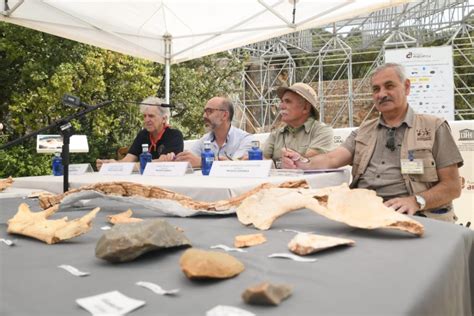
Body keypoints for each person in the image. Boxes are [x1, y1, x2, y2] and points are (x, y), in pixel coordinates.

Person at [282, 63, 463, 222]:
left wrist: (416, 201)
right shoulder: (363, 131)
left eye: (389, 86)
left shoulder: (434, 127)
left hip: (415, 215)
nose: (381, 94)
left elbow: (452, 187)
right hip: (363, 213)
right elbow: (331, 159)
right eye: (376, 89)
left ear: (406, 87)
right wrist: (301, 161)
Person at [96, 96, 184, 170]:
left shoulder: (174, 135)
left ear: (164, 119)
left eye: (151, 116)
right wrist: (111, 164)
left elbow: (161, 164)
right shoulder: (143, 134)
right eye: (144, 116)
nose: (146, 120)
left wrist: (117, 166)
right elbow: (128, 160)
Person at [263, 82, 334, 166]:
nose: (281, 106)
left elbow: (310, 162)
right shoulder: (276, 134)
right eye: (282, 101)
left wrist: (276, 164)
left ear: (305, 108)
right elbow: (261, 161)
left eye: (288, 101)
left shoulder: (322, 131)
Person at [174, 97, 254, 167]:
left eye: (209, 111)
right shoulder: (204, 140)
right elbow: (189, 159)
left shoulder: (245, 139)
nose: (204, 116)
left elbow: (236, 166)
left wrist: (203, 162)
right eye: (205, 111)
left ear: (224, 115)